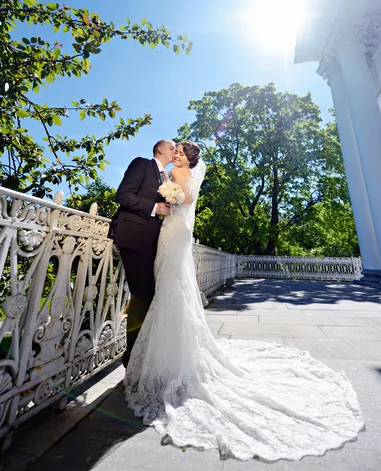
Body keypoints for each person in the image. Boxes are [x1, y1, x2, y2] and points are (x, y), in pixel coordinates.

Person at [124, 141, 364, 462]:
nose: (177, 153)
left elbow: (188, 197)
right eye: (175, 149)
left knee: (172, 287)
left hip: (175, 229)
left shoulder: (180, 171)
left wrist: (173, 194)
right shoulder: (168, 169)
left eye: (181, 151)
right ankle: (165, 351)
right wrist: (166, 195)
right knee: (169, 287)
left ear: (188, 158)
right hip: (171, 230)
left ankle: (170, 357)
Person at [113, 139, 175, 368]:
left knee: (149, 296)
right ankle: (131, 360)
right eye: (172, 147)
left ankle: (141, 355)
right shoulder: (142, 164)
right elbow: (123, 195)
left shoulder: (166, 178)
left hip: (150, 242)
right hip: (133, 237)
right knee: (142, 296)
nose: (175, 150)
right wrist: (154, 208)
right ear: (159, 149)